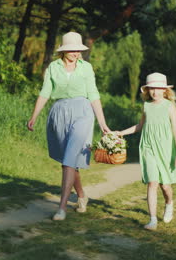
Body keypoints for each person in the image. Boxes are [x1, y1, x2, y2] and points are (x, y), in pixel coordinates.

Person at [27, 32, 110, 221]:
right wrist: (34, 116)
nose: (76, 53)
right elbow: (45, 92)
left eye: (78, 50)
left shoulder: (86, 68)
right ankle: (81, 195)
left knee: (68, 161)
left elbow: (94, 94)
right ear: (63, 51)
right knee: (69, 160)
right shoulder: (53, 68)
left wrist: (103, 123)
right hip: (59, 113)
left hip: (83, 113)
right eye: (72, 49)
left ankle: (62, 208)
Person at [117, 72, 176, 230]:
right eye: (151, 88)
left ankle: (169, 203)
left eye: (158, 88)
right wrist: (121, 132)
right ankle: (152, 219)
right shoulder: (146, 106)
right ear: (147, 90)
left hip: (166, 149)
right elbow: (139, 127)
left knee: (165, 186)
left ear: (164, 90)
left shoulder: (169, 106)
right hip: (148, 147)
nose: (155, 92)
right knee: (152, 182)